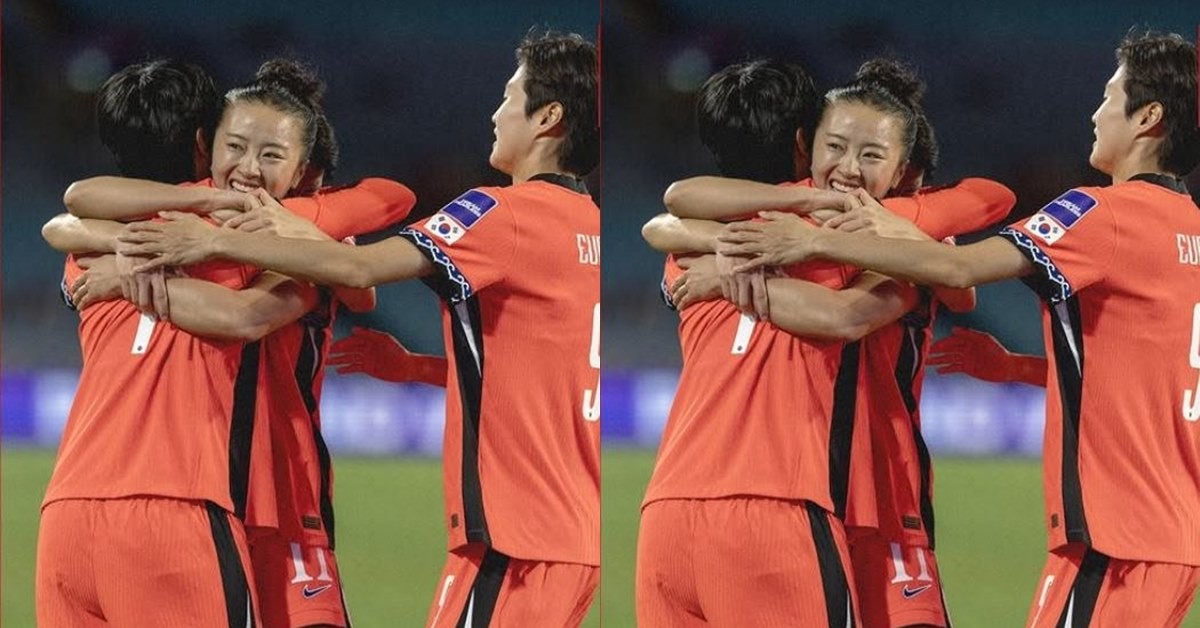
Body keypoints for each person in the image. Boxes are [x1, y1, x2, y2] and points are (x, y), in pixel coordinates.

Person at [117, 31, 601, 626]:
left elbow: (361, 270)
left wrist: (209, 243)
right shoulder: (589, 224)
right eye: (234, 147)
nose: (496, 114)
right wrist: (415, 367)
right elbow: (540, 373)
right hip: (564, 531)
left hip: (511, 534)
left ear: (548, 117)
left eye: (508, 97)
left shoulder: (502, 212)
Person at [718, 30, 1200, 627]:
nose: (1096, 113)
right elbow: (1148, 375)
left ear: (1148, 117)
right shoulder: (1189, 228)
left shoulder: (1104, 212)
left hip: (1118, 536)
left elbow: (960, 270)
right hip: (1172, 534)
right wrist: (1015, 367)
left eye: (1109, 97)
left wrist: (813, 241)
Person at [43, 59, 417, 628]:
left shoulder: (265, 228)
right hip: (203, 499)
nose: (248, 169)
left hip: (246, 500)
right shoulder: (196, 222)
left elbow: (67, 213)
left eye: (271, 155)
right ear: (206, 145)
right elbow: (71, 213)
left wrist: (128, 269)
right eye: (235, 147)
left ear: (305, 171)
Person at [644, 58, 1015, 628]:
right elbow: (668, 213)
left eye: (871, 155)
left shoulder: (883, 228)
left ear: (904, 171)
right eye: (835, 147)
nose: (847, 169)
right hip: (809, 497)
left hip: (879, 498)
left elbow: (976, 235)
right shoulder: (781, 218)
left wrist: (728, 269)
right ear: (807, 145)